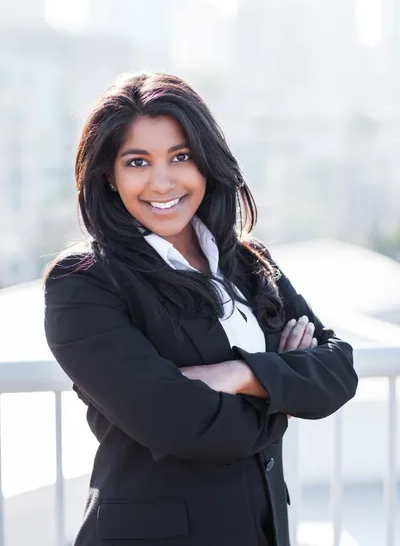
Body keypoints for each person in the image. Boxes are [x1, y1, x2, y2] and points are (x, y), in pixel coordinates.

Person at [43, 72, 358, 546]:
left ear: (206, 163)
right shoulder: (84, 283)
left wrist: (242, 375)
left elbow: (339, 369)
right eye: (137, 161)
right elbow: (174, 424)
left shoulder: (248, 263)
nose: (163, 180)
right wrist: (284, 395)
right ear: (109, 174)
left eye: (181, 156)